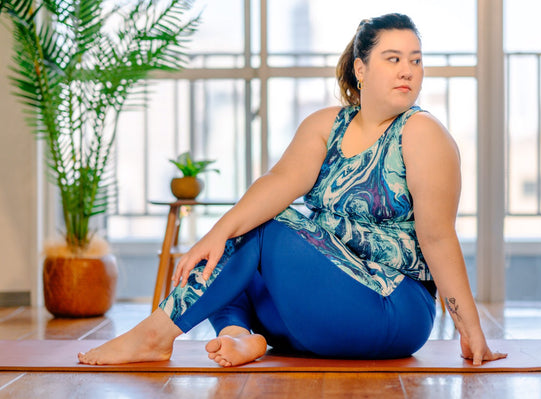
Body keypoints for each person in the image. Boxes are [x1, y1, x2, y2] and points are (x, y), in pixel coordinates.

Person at [78, 13, 507, 367]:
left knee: (263, 226)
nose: (407, 70)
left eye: (415, 60)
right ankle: (242, 338)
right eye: (393, 58)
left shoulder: (421, 133)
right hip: (315, 308)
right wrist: (216, 234)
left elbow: (437, 237)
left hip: (389, 307)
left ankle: (155, 335)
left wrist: (471, 329)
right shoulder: (325, 125)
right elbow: (277, 184)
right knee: (236, 251)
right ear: (361, 68)